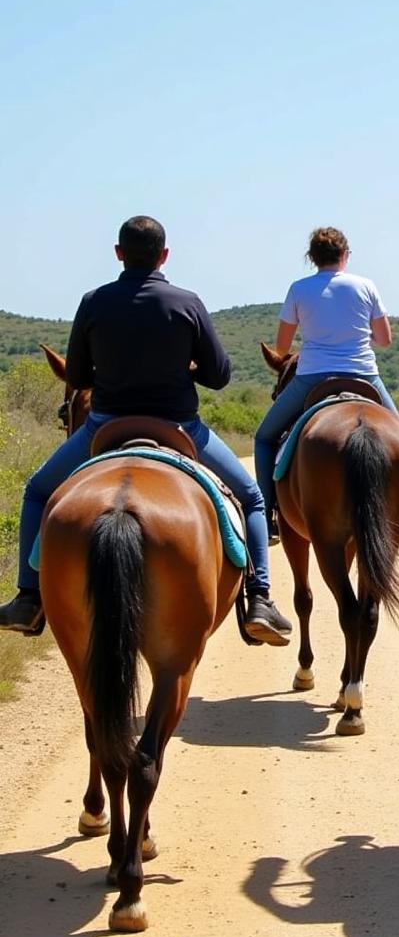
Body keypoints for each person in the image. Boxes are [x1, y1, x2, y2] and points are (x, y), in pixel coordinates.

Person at [0, 216, 294, 646]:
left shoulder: (93, 301)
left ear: (119, 253)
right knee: (250, 496)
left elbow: (78, 375)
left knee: (37, 491)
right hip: (180, 427)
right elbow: (219, 376)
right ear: (164, 255)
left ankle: (28, 597)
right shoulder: (187, 302)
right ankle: (259, 599)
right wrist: (187, 365)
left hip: (105, 424)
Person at [254, 226, 399, 538]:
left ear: (312, 258)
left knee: (265, 437)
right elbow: (385, 340)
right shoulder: (366, 286)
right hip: (364, 375)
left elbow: (281, 347)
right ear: (345, 256)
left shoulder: (299, 288)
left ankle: (266, 513)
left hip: (313, 375)